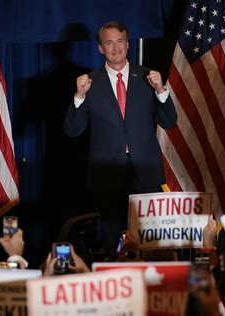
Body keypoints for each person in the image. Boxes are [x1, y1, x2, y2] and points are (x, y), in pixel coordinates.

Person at [64, 21, 177, 250]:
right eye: (109, 43)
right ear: (100, 48)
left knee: (150, 241)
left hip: (145, 171)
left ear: (128, 45)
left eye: (119, 42)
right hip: (107, 171)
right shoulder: (89, 83)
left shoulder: (148, 78)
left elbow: (169, 121)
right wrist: (78, 96)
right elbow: (73, 130)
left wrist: (161, 91)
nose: (115, 48)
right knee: (109, 239)